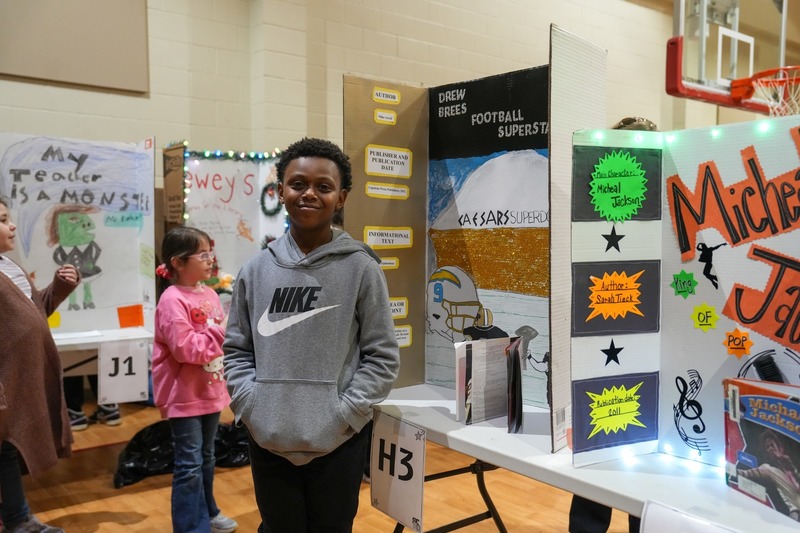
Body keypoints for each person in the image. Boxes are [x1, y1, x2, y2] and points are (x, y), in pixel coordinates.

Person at [223, 137, 401, 532]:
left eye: (323, 186)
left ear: (341, 198)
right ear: (280, 191)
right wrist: (253, 407)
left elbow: (383, 356)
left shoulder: (362, 269)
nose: (309, 194)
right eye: (298, 184)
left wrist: (345, 414)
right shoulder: (255, 270)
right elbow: (236, 351)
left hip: (339, 441)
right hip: (268, 438)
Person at [568, 117, 657, 533]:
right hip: (602, 352)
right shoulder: (592, 213)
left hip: (650, 353)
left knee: (647, 468)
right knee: (599, 457)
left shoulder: (665, 211)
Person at [0, 195, 79, 533]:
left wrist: (59, 287)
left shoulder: (10, 266)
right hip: (7, 384)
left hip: (19, 382)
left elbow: (36, 312)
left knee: (7, 450)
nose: (12, 226)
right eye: (3, 220)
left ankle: (18, 518)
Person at [152, 226, 238, 533]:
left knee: (206, 457)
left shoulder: (210, 293)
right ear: (178, 262)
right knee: (189, 464)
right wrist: (222, 329)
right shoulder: (172, 300)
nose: (210, 259)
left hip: (210, 391)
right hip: (183, 396)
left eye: (210, 253)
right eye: (202, 255)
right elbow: (187, 349)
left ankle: (208, 511)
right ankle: (191, 526)